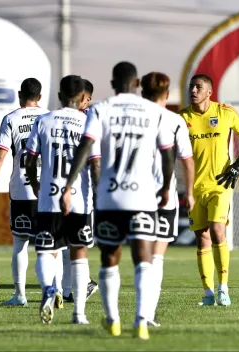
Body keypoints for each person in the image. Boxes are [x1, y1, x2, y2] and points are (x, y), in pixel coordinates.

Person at [60, 62, 176, 340]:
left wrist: (68, 185)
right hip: (143, 196)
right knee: (143, 259)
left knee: (109, 259)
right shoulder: (154, 111)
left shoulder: (100, 109)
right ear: (136, 84)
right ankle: (141, 321)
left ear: (113, 84)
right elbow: (167, 152)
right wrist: (167, 188)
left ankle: (112, 319)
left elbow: (85, 148)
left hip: (110, 197)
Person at [25, 75, 100, 325]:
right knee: (79, 254)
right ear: (82, 98)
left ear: (58, 96)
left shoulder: (43, 120)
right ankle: (79, 313)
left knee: (47, 251)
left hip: (49, 197)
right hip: (80, 199)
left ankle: (48, 288)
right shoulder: (89, 122)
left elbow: (30, 158)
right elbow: (95, 162)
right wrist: (99, 193)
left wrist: (36, 184)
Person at [179, 74, 239, 306]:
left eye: (198, 87)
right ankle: (208, 294)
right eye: (191, 86)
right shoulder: (182, 118)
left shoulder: (226, 113)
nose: (193, 90)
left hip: (221, 184)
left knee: (217, 231)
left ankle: (223, 288)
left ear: (209, 92)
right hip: (195, 187)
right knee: (201, 238)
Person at [0, 78, 49, 306]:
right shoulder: (49, 117)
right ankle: (57, 291)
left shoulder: (11, 119)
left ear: (19, 94)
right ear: (41, 96)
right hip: (48, 190)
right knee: (53, 246)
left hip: (22, 189)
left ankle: (20, 295)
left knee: (20, 244)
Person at [140, 71, 195, 327]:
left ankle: (127, 315)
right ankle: (147, 315)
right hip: (164, 195)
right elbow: (186, 159)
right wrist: (191, 193)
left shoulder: (132, 117)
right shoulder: (174, 120)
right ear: (167, 94)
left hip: (133, 195)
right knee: (157, 256)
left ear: (142, 91)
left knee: (137, 256)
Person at [62, 78, 99, 304]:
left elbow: (96, 159)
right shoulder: (72, 119)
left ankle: (81, 286)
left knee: (75, 245)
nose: (83, 102)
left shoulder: (92, 121)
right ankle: (68, 290)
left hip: (83, 192)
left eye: (86, 99)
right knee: (66, 245)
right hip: (66, 189)